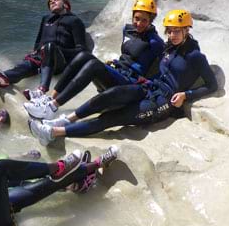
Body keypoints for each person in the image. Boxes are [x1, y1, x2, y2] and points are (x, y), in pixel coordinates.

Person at [29, 9, 218, 145]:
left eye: (177, 30)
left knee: (111, 118)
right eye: (169, 31)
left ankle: (54, 132)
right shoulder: (170, 48)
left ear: (187, 30)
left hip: (163, 102)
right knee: (110, 96)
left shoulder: (196, 56)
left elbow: (212, 86)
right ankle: (65, 119)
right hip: (149, 87)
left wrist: (187, 95)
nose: (172, 35)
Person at [24, 0, 165, 120]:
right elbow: (126, 55)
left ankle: (52, 108)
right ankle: (49, 98)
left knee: (94, 65)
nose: (139, 23)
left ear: (151, 21)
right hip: (117, 73)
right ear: (133, 16)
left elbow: (163, 68)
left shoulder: (156, 42)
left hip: (128, 83)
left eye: (144, 21)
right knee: (84, 55)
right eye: (137, 18)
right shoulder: (127, 30)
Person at [0, 0, 88, 94]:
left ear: (65, 4)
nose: (52, 2)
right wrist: (35, 51)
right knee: (24, 67)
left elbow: (81, 49)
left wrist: (58, 50)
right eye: (50, 2)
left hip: (59, 60)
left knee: (49, 47)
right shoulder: (46, 19)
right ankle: (3, 77)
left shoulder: (74, 21)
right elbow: (38, 41)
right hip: (41, 58)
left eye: (56, 0)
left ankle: (42, 89)